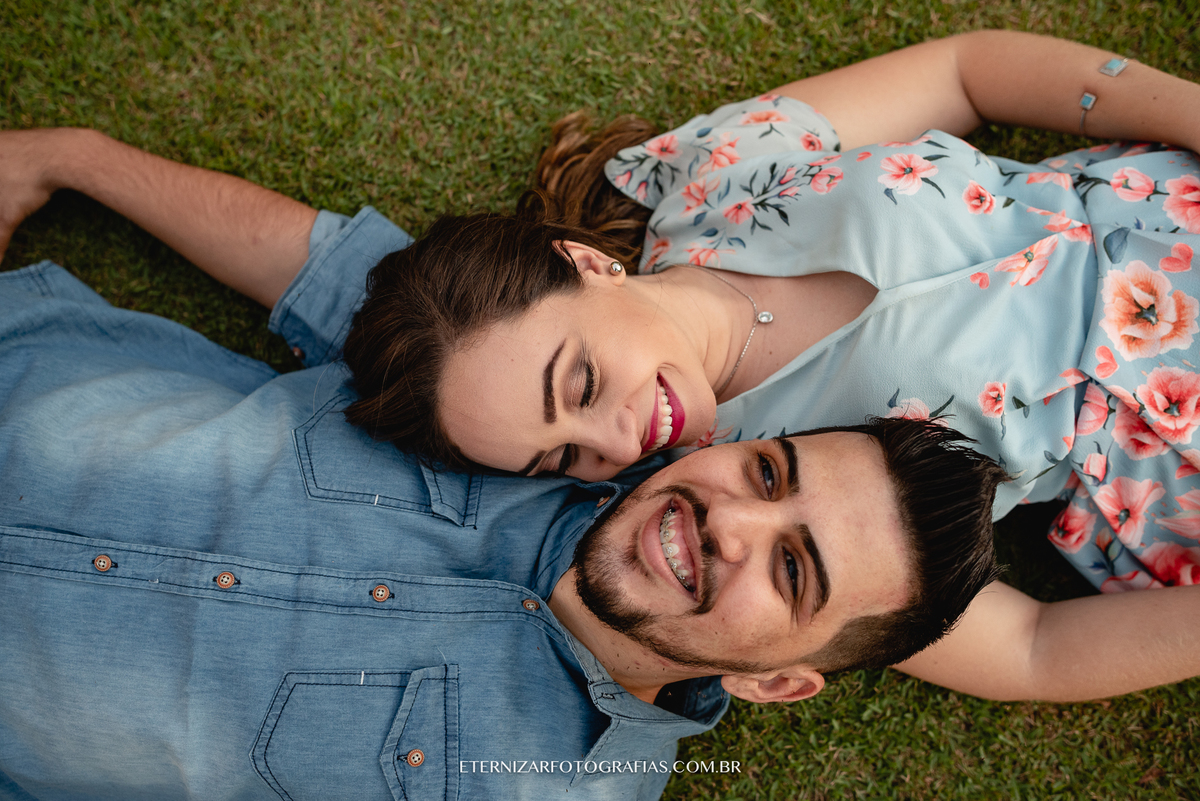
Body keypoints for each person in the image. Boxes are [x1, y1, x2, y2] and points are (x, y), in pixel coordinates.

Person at [3, 126, 1200, 800]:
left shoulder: (546, 788)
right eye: (769, 475)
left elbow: (1041, 655)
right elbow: (323, 273)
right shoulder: (523, 427)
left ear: (782, 684)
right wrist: (65, 157)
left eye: (792, 578)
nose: (732, 522)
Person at [337, 30, 1200, 594]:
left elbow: (965, 71)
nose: (612, 443)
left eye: (583, 380)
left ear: (590, 265)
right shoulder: (743, 500)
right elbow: (1027, 651)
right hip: (1162, 462)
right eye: (562, 453)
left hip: (1160, 215)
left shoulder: (720, 177)